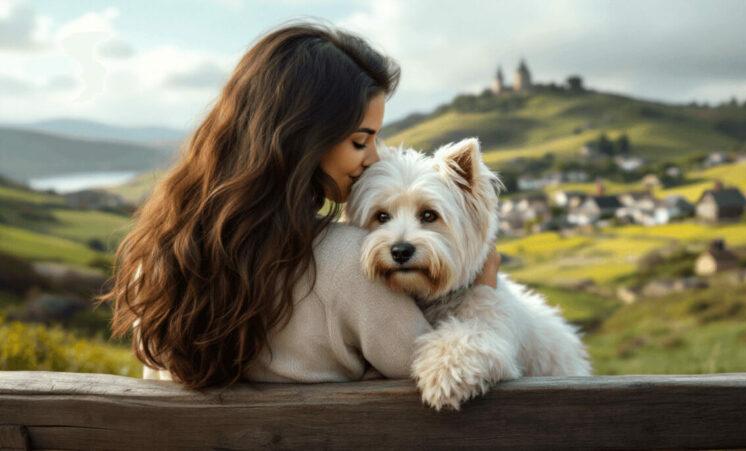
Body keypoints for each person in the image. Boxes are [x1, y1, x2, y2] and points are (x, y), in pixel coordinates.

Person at [97, 21, 499, 390]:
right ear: (303, 137)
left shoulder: (161, 258)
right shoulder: (348, 261)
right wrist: (483, 291)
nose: (373, 159)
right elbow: (443, 376)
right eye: (360, 141)